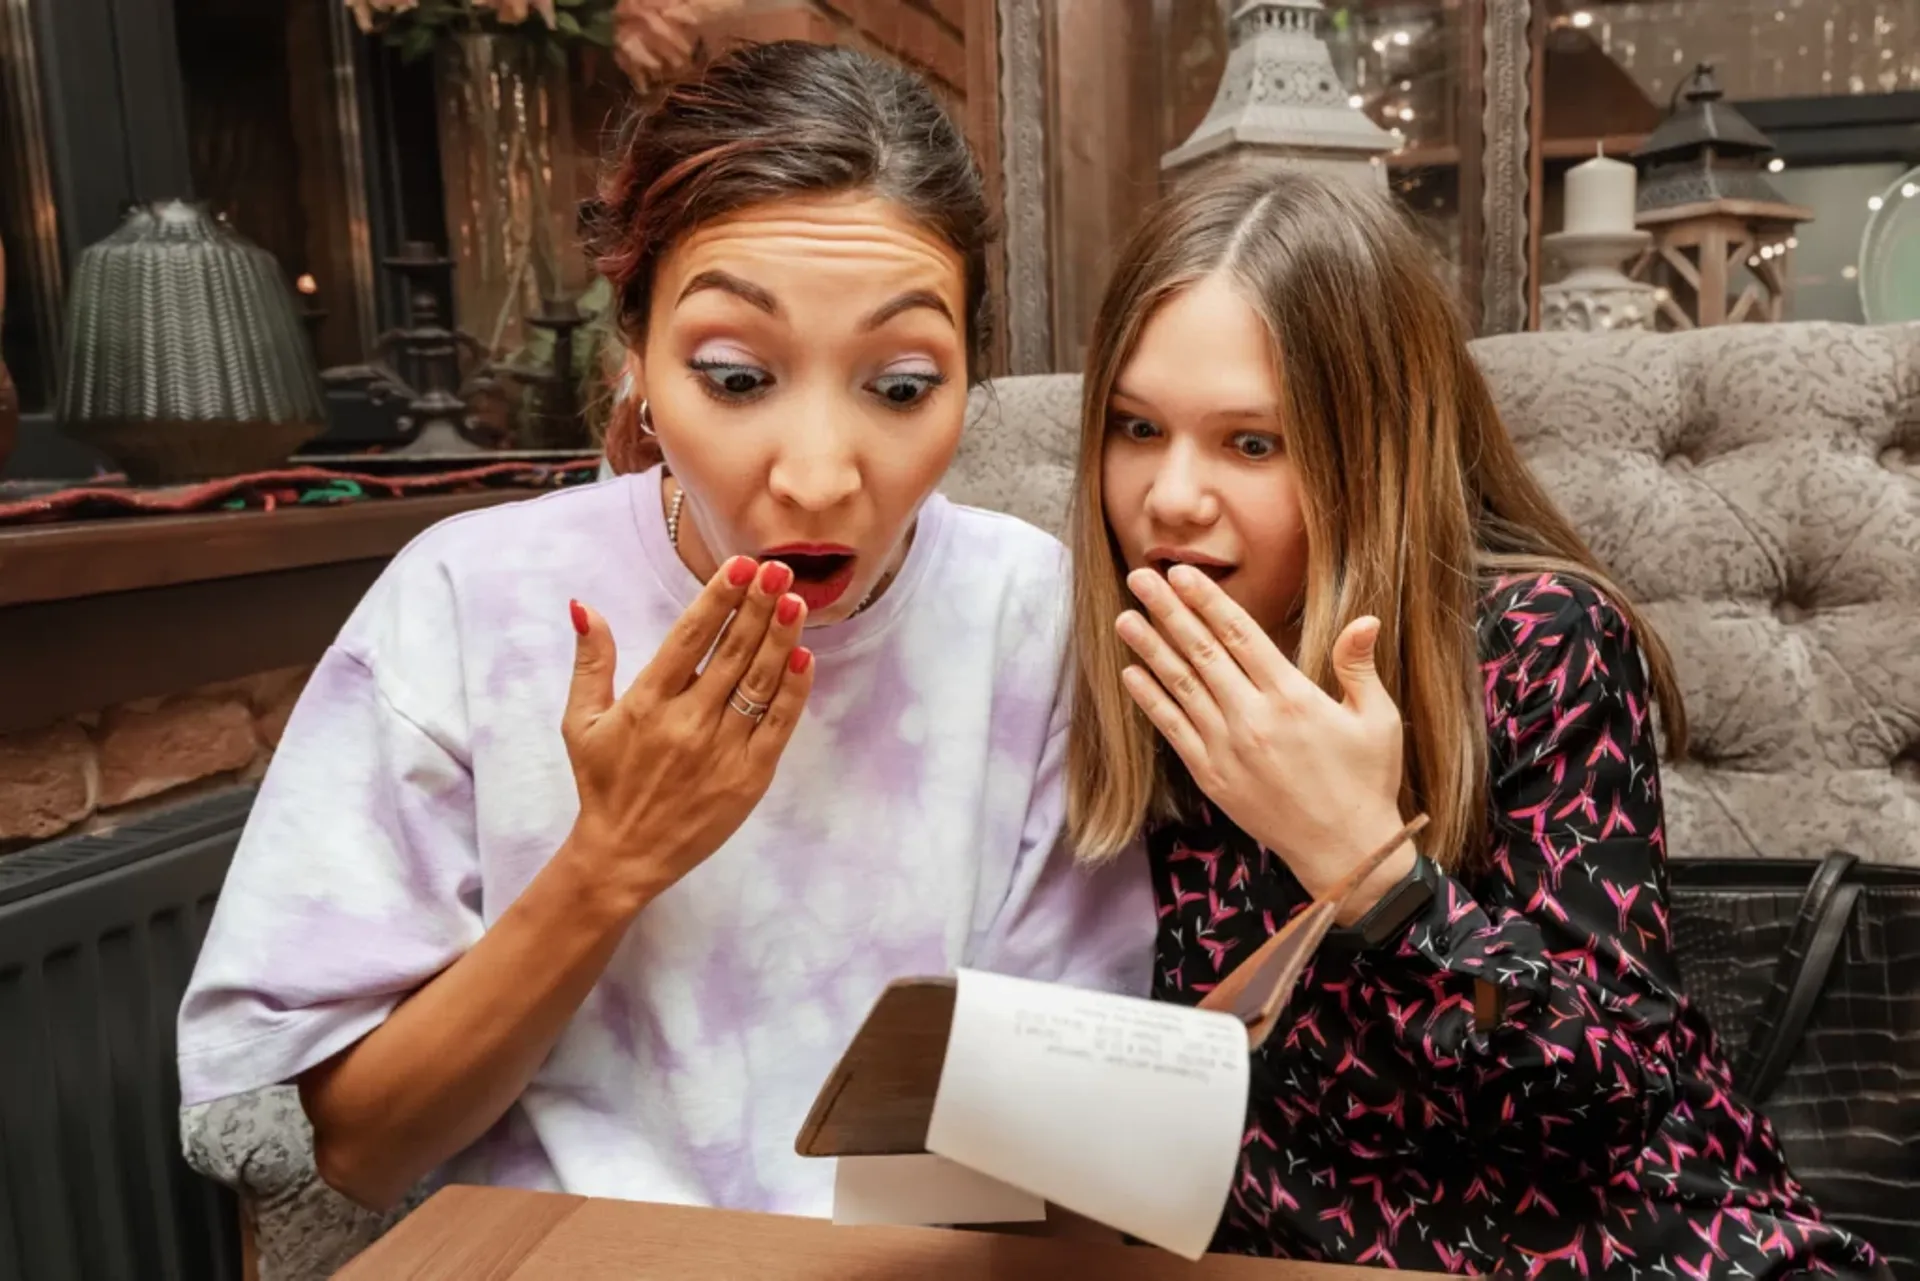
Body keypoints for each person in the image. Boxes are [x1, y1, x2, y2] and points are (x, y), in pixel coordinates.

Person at [176, 41, 1153, 1218]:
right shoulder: (471, 601)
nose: (818, 475)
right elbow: (362, 1152)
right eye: (738, 376)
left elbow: (1074, 1114)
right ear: (638, 356)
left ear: (968, 376)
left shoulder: (1024, 611)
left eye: (899, 386)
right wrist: (609, 865)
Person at [1062, 170, 1885, 1279]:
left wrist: (1373, 871)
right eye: (1136, 427)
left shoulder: (1536, 643)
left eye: (1251, 443)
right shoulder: (1110, 676)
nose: (1170, 497)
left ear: (1369, 448)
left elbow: (1614, 1100)